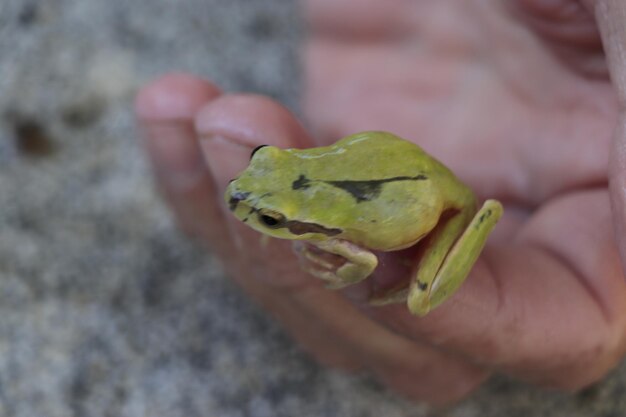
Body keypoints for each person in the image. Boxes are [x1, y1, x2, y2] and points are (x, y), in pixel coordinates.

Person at [135, 0, 626, 404]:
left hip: (431, 209)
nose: (244, 200)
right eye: (263, 159)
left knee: (416, 298)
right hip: (411, 169)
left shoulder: (336, 231)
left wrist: (340, 269)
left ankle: (447, 251)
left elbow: (364, 260)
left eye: (270, 217)